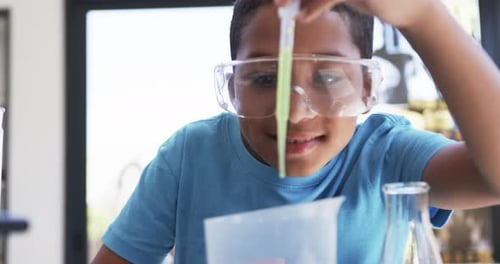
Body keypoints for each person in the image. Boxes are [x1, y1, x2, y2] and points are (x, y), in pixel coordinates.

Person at [92, 0, 500, 263]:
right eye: (266, 79)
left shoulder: (386, 155)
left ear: (368, 86)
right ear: (233, 88)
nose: (294, 114)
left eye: (327, 76)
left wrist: (422, 15)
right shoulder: (189, 157)